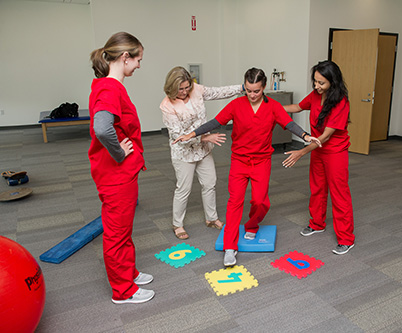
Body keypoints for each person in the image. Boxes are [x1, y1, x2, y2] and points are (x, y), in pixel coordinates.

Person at [174, 68, 321, 266]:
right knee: (235, 202)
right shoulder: (236, 104)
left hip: (261, 161)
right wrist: (192, 134)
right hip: (239, 161)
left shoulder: (273, 106)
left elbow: (288, 124)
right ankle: (230, 247)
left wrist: (305, 136)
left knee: (260, 202)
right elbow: (215, 122)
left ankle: (252, 225)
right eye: (248, 90)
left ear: (264, 87)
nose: (252, 95)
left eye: (256, 91)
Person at [88, 32, 154, 304]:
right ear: (125, 57)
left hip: (120, 175)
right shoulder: (110, 88)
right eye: (138, 59)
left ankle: (129, 273)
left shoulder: (108, 85)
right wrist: (119, 153)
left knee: (123, 229)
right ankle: (123, 291)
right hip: (115, 175)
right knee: (116, 234)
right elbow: (102, 129)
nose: (139, 65)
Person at [160, 66, 243, 239]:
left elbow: (218, 92)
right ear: (172, 88)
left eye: (186, 87)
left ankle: (211, 218)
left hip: (203, 151)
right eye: (180, 89)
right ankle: (177, 224)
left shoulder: (196, 90)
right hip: (184, 153)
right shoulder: (167, 106)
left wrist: (242, 88)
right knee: (184, 189)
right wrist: (206, 138)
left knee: (210, 183)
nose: (184, 91)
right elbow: (178, 136)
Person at [282, 60, 355, 255]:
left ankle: (346, 238)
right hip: (318, 152)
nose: (316, 86)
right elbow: (297, 107)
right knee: (317, 189)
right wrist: (274, 108)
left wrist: (301, 152)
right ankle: (317, 224)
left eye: (321, 83)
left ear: (333, 81)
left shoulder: (341, 102)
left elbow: (325, 137)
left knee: (339, 194)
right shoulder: (316, 95)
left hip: (335, 152)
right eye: (315, 82)